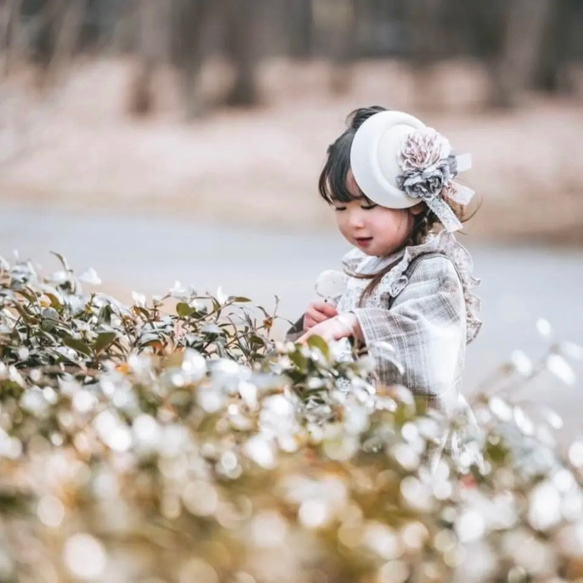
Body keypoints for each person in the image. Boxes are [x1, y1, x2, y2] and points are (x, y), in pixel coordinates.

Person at [288, 106, 482, 417]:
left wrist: (352, 323)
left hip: (407, 432)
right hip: (358, 420)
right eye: (341, 208)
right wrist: (321, 328)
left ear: (415, 203)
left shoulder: (433, 268)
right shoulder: (362, 266)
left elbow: (426, 345)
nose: (354, 221)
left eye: (368, 205)